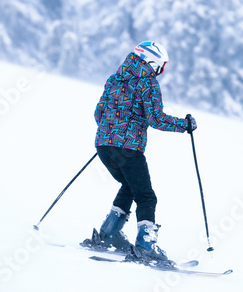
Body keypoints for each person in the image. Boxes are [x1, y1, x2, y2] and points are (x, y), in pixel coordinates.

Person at [81, 41, 197, 262]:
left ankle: (109, 234)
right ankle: (145, 247)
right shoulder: (148, 83)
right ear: (152, 62)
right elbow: (156, 119)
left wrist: (109, 134)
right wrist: (184, 125)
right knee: (146, 196)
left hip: (104, 147)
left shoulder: (115, 78)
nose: (159, 73)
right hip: (129, 149)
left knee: (129, 186)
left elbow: (99, 113)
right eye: (161, 68)